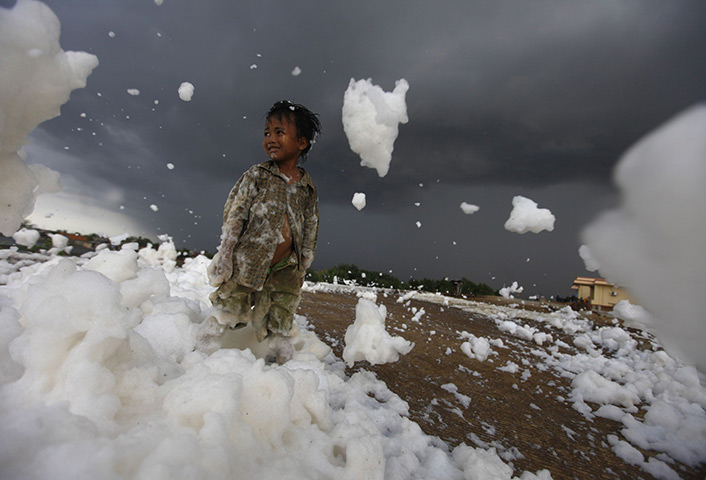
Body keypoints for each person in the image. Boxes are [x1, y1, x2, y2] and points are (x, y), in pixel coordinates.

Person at [205, 100, 321, 363]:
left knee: (281, 319)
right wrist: (225, 255)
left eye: (279, 132)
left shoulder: (307, 187)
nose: (270, 138)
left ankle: (278, 368)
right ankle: (202, 352)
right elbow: (235, 215)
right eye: (267, 132)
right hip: (247, 261)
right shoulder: (257, 175)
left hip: (286, 268)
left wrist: (303, 265)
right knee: (227, 308)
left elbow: (311, 224)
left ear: (301, 143)